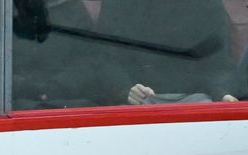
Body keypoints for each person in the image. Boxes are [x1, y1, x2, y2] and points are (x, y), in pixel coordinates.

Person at [98, 0, 238, 104]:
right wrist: (124, 89)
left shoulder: (206, 4)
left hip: (196, 97)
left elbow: (218, 61)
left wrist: (222, 93)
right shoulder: (118, 4)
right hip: (139, 100)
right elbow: (106, 57)